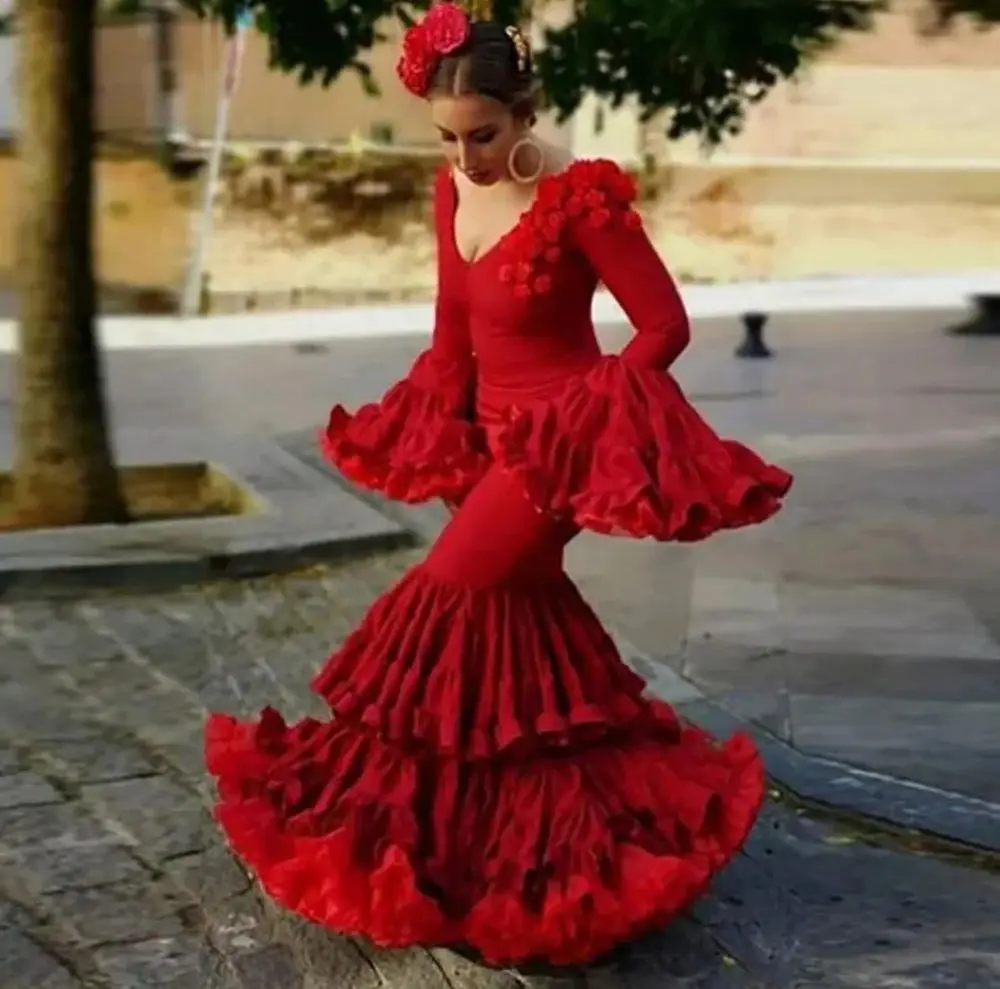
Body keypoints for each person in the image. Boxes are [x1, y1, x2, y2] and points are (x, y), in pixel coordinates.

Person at [204, 0, 793, 969]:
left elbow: (663, 327)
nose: (466, 159)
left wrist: (588, 419)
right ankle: (543, 842)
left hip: (552, 451)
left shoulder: (579, 198)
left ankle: (423, 836)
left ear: (524, 114)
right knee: (515, 641)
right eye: (446, 139)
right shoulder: (450, 194)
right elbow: (452, 331)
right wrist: (439, 428)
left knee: (444, 602)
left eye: (482, 135)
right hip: (478, 445)